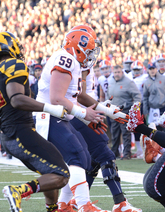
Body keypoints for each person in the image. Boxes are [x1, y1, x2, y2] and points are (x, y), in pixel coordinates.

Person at [0, 31, 70, 212]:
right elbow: (17, 99)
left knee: (51, 170)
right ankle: (18, 191)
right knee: (62, 174)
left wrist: (2, 125)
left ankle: (52, 208)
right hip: (22, 132)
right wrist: (51, 108)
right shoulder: (14, 64)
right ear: (10, 46)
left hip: (11, 137)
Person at [35, 29, 111, 212]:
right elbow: (57, 98)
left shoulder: (72, 61)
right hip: (50, 116)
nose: (92, 55)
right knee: (76, 155)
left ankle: (64, 204)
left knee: (84, 156)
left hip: (60, 116)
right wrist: (84, 115)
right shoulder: (66, 59)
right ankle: (84, 205)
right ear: (79, 46)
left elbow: (72, 98)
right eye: (90, 50)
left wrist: (86, 113)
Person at [108, 65, 142, 159]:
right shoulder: (111, 81)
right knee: (114, 133)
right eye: (115, 72)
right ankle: (114, 152)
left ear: (122, 72)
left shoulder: (128, 82)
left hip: (124, 110)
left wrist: (135, 108)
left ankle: (127, 153)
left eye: (118, 72)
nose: (117, 74)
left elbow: (137, 95)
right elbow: (108, 95)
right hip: (113, 110)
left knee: (125, 133)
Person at [142, 62, 165, 127]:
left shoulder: (164, 79)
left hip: (163, 107)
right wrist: (145, 111)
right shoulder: (146, 82)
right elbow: (145, 97)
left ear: (156, 69)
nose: (152, 70)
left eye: (153, 68)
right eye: (150, 69)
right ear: (148, 70)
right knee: (154, 129)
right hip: (152, 109)